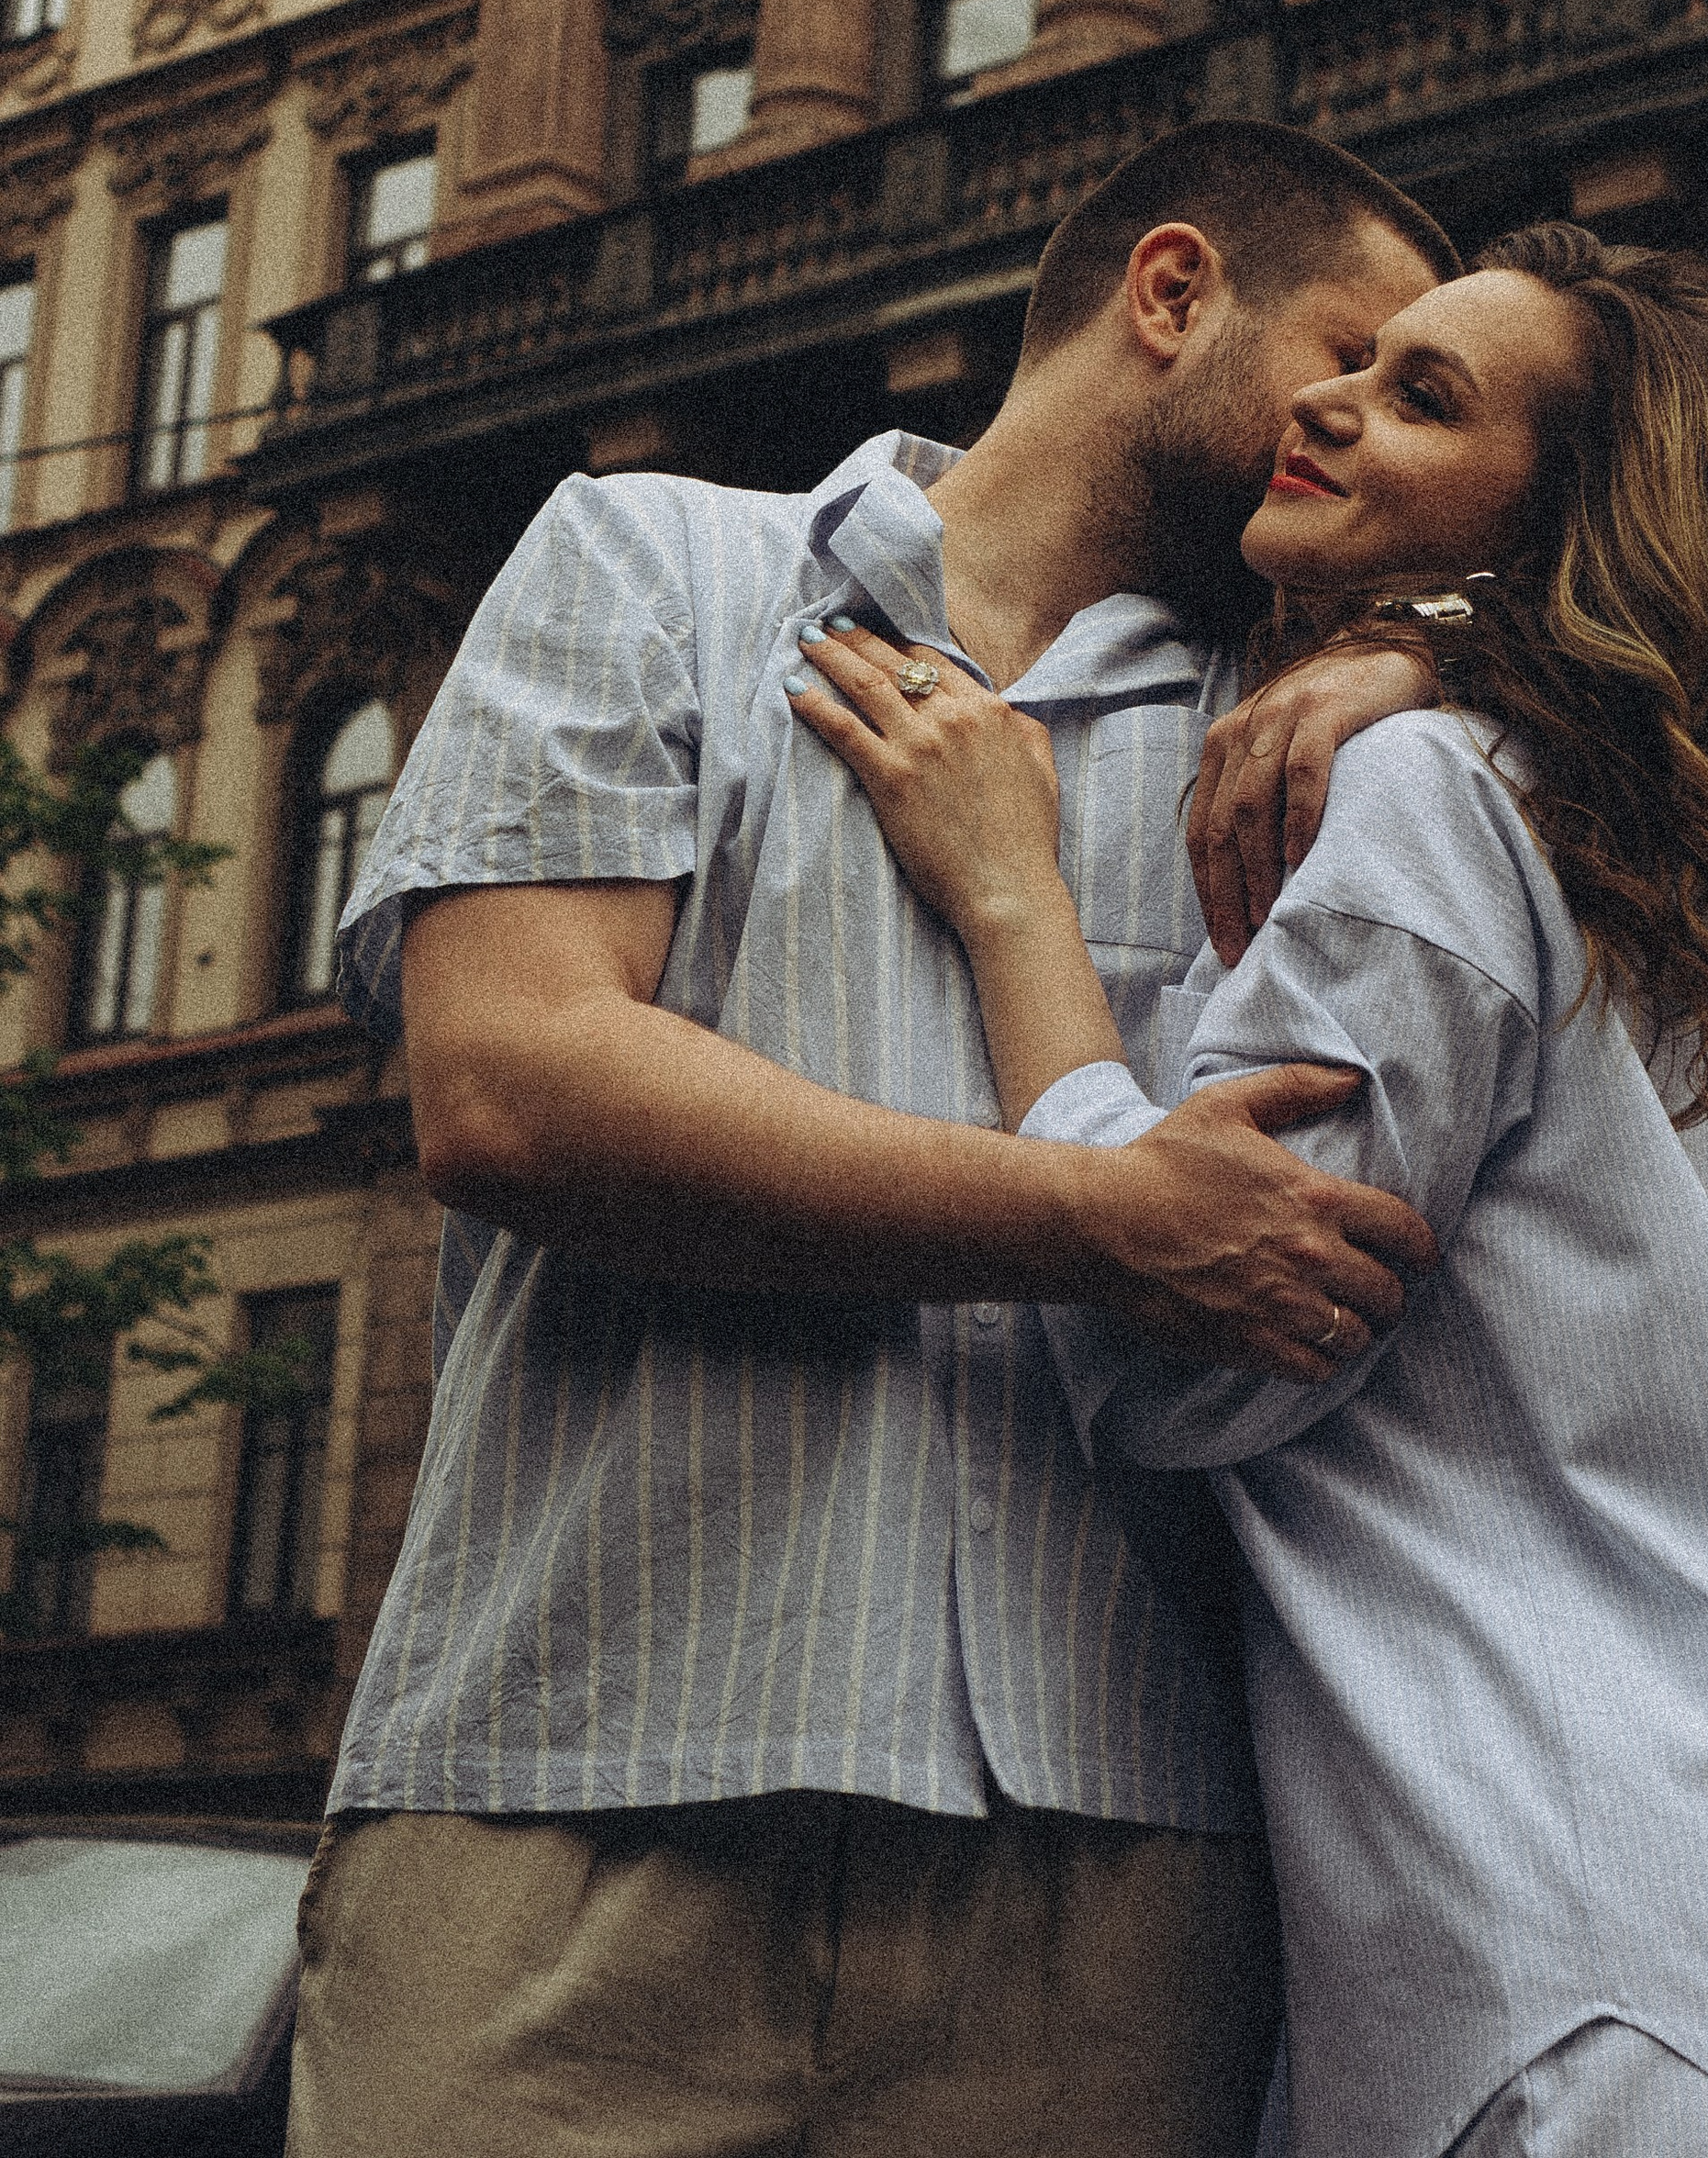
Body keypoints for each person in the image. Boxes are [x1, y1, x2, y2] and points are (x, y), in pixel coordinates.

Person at [287, 123, 1462, 2158]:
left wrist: (1452, 651)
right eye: (1347, 361)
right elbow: (511, 1085)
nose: (1364, 431)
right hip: (567, 1808)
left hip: (1115, 1872)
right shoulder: (653, 561)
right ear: (1172, 294)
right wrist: (1100, 1217)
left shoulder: (1325, 729)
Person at [791, 221, 1708, 2158]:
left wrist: (1013, 896)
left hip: (1600, 1954)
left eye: (1425, 397)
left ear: (1553, 520)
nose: (1333, 400)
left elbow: (1197, 1348)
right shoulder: (1605, 811)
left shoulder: (1437, 793)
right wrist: (1445, 638)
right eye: (1360, 362)